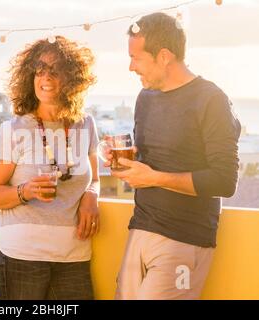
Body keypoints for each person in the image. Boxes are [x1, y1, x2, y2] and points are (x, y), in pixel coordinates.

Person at [107, 12, 241, 300]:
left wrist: (153, 178)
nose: (130, 67)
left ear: (164, 56)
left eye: (136, 58)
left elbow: (224, 181)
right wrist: (124, 161)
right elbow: (154, 157)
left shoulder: (211, 100)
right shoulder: (145, 97)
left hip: (184, 239)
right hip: (140, 229)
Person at [0, 36, 100, 300]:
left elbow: (95, 179)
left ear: (73, 79)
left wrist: (91, 196)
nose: (46, 77)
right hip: (21, 255)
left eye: (55, 70)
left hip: (74, 255)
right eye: (40, 69)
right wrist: (26, 191)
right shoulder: (12, 130)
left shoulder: (86, 125)